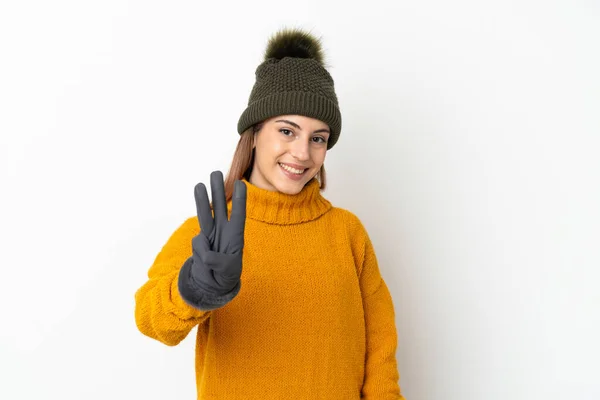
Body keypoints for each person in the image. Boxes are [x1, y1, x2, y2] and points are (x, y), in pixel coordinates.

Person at [134, 27, 407, 399]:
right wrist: (193, 290)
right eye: (287, 130)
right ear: (255, 130)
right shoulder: (213, 230)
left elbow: (379, 357)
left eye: (318, 138)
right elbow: (150, 319)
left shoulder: (347, 233)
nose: (302, 154)